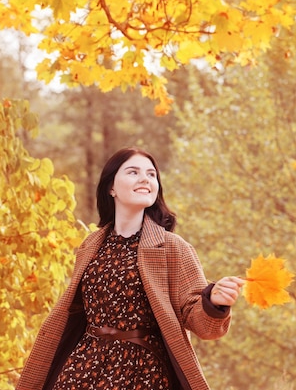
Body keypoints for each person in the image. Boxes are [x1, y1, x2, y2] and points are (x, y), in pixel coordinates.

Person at [16, 147, 245, 390]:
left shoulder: (172, 247)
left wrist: (215, 303)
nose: (145, 178)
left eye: (151, 174)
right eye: (133, 172)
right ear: (111, 188)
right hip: (82, 367)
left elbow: (201, 323)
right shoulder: (91, 245)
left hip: (143, 373)